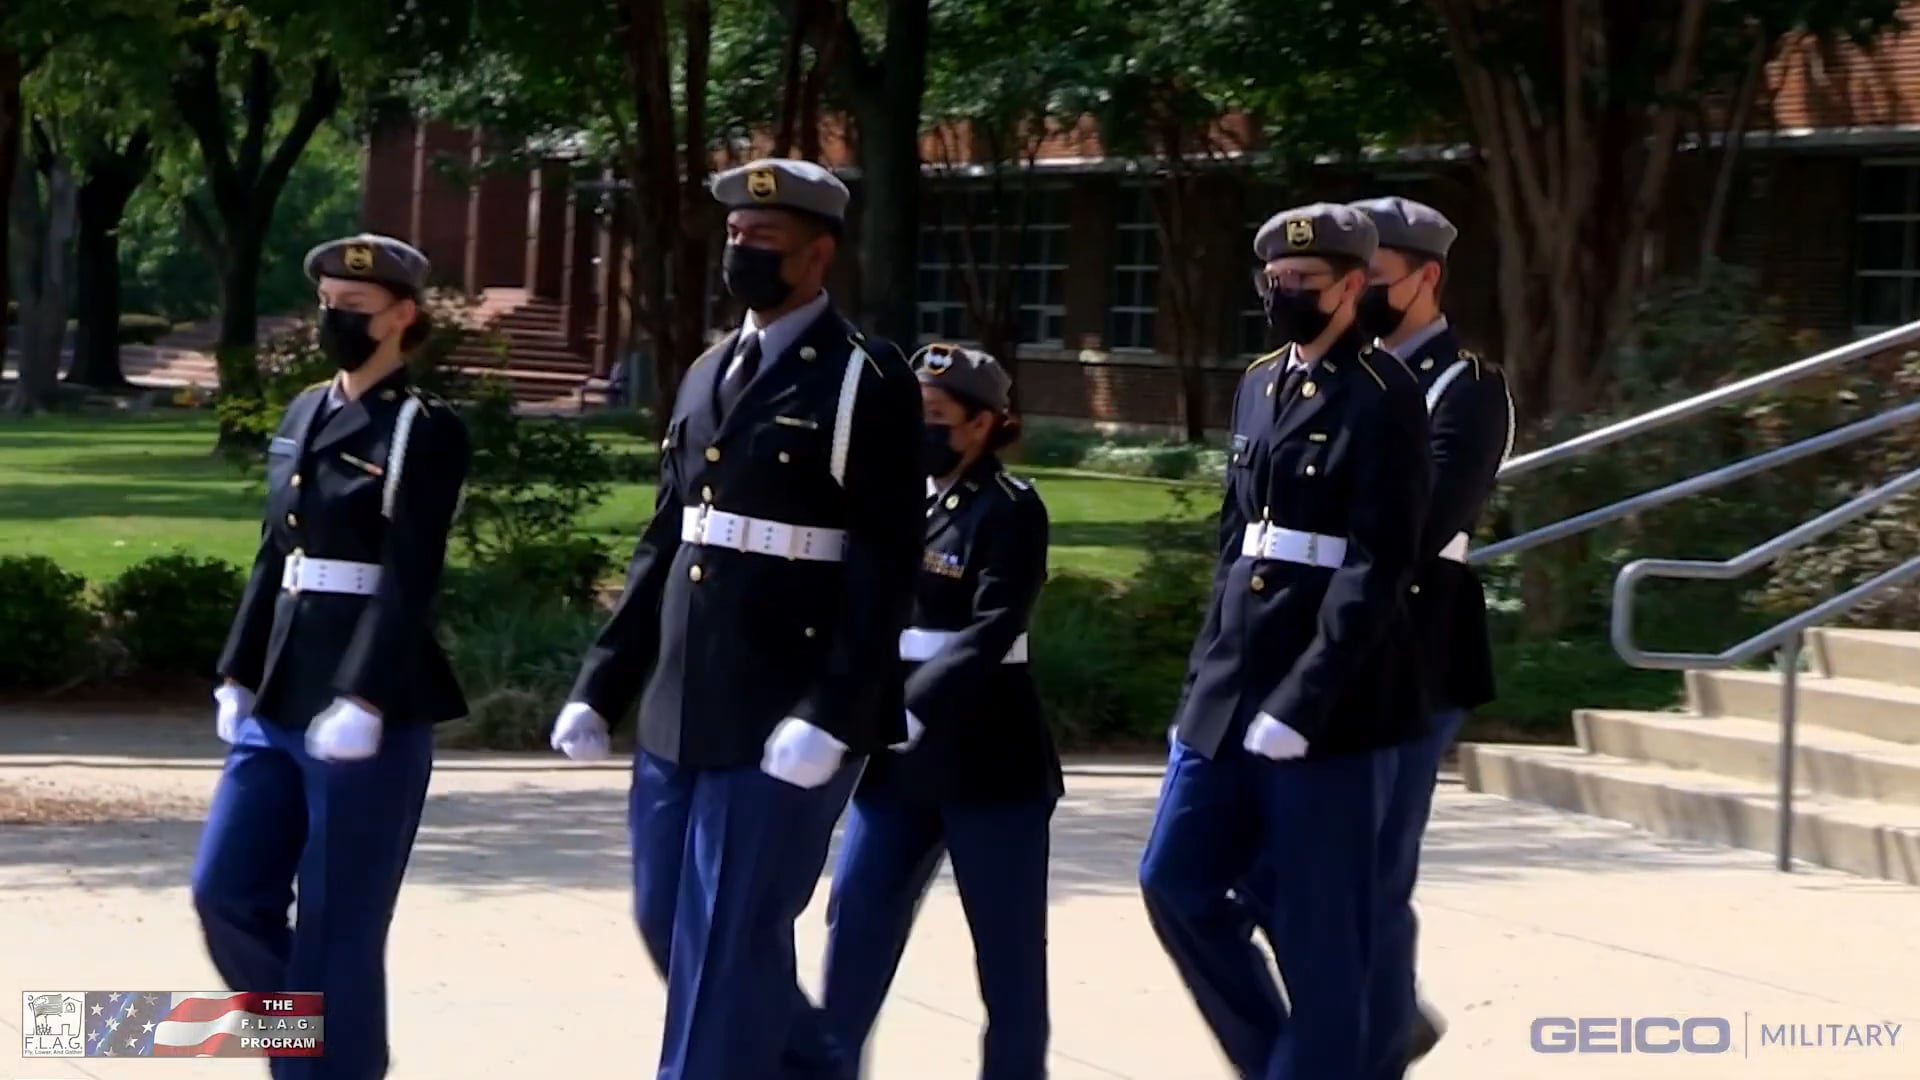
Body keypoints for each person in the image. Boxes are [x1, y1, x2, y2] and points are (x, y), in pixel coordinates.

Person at [546, 158, 924, 1080]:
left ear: (818, 252)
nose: (744, 252)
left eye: (766, 240)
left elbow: (885, 565)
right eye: (736, 238)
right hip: (684, 697)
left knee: (723, 943)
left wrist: (834, 711)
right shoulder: (710, 368)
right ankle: (820, 1062)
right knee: (667, 915)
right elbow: (666, 539)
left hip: (786, 705)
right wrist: (603, 682)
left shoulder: (863, 378)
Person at [1137, 203, 1432, 1080]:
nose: (1288, 294)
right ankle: (1283, 1062)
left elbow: (1378, 566)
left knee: (1319, 933)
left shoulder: (1385, 397)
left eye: (1307, 283)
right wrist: (1203, 682)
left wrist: (1304, 697)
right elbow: (1237, 542)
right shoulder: (1260, 382)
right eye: (1278, 282)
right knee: (1175, 883)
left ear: (1351, 287)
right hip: (1231, 687)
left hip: (1329, 705)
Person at [193, 233, 471, 1079]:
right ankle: (329, 1051)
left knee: (337, 925)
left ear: (402, 316)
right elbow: (273, 555)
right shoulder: (304, 412)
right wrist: (238, 670)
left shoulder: (423, 428)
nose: (336, 322)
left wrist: (365, 696)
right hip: (279, 697)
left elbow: (410, 576)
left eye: (355, 310)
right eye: (328, 307)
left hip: (366, 709)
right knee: (226, 896)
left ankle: (324, 1063)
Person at [815, 344, 1059, 1079]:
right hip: (895, 764)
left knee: (1008, 957)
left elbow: (995, 625)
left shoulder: (1010, 510)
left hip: (991, 763)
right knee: (854, 929)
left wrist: (915, 702)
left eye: (937, 418)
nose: (922, 431)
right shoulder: (894, 502)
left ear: (984, 424)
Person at [1349, 195, 1514, 1075]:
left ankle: (1378, 1037)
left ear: (1425, 278)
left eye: (1373, 280)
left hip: (1417, 650)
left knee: (1376, 861)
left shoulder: (1467, 388)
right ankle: (1381, 1009)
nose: (1357, 294)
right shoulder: (1341, 375)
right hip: (1327, 645)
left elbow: (1427, 518)